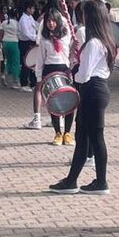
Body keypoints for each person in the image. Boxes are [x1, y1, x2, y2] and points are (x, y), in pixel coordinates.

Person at [48, 0, 116, 195]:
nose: (81, 17)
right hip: (95, 90)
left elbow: (84, 74)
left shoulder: (94, 43)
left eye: (84, 14)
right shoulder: (103, 40)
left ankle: (101, 181)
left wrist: (74, 69)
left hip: (92, 89)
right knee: (83, 137)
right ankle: (72, 180)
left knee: (94, 137)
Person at [34, 9, 76, 146]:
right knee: (53, 102)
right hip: (49, 69)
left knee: (70, 100)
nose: (51, 24)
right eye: (48, 21)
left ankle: (68, 133)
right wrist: (39, 77)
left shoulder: (66, 35)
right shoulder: (44, 39)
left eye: (53, 20)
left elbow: (73, 46)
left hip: (64, 69)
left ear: (58, 21)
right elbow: (40, 59)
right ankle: (58, 133)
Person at [18, 0, 40, 99]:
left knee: (33, 63)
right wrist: (35, 37)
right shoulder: (23, 19)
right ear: (28, 9)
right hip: (25, 42)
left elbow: (36, 25)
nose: (34, 10)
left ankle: (32, 82)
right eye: (32, 8)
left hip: (32, 41)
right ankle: (23, 83)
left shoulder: (30, 17)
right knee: (26, 62)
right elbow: (26, 33)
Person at [0, 1, 21, 89]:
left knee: (8, 61)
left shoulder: (4, 22)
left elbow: (1, 33)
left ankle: (4, 75)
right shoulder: (17, 23)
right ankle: (15, 81)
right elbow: (19, 34)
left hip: (5, 43)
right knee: (15, 62)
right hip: (14, 43)